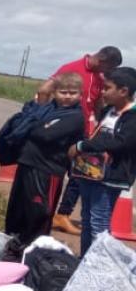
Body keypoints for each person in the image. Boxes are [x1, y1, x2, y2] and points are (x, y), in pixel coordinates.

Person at [1, 73, 84, 261]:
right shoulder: (48, 109)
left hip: (48, 170)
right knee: (19, 208)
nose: (68, 96)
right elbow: (29, 117)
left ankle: (35, 250)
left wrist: (32, 123)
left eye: (73, 93)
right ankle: (15, 244)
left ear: (80, 95)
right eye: (63, 92)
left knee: (40, 213)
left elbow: (43, 134)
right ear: (55, 93)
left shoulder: (76, 116)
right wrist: (40, 104)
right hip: (27, 163)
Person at [45, 46, 124, 235]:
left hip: (86, 133)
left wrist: (100, 123)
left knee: (79, 175)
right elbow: (47, 89)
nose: (108, 72)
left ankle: (63, 214)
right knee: (58, 173)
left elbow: (97, 103)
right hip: (65, 129)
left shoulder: (99, 77)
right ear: (102, 59)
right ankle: (48, 214)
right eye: (109, 67)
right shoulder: (71, 68)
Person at [67, 66, 136, 255]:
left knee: (99, 224)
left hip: (110, 178)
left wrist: (83, 146)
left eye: (107, 88)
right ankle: (84, 261)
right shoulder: (109, 111)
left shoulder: (132, 117)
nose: (103, 92)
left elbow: (119, 143)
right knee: (87, 220)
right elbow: (98, 136)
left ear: (123, 91)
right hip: (91, 173)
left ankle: (97, 266)